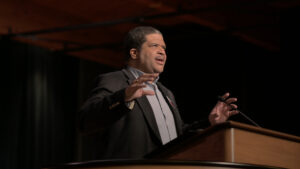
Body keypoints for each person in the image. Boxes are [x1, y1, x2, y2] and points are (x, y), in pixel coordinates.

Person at [78, 26, 238, 159]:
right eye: (155, 46)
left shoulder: (166, 93)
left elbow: (178, 135)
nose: (162, 52)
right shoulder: (115, 80)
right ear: (134, 53)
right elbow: (86, 120)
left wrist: (210, 123)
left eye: (164, 48)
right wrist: (124, 96)